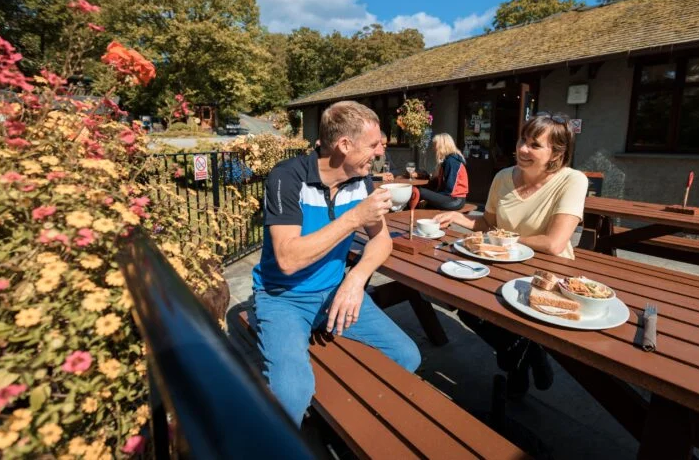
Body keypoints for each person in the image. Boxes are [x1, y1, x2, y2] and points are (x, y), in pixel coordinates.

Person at [252, 100, 421, 425]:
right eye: (373, 145)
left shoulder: (361, 181)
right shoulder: (287, 178)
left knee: (406, 355)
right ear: (344, 145)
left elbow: (382, 239)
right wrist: (354, 218)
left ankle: (349, 422)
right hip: (282, 298)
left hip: (335, 292)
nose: (379, 152)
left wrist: (355, 280)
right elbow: (287, 259)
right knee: (291, 395)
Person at [433, 112, 588, 398]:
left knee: (517, 316)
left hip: (548, 273)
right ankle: (526, 354)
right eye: (522, 140)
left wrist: (498, 243)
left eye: (534, 145)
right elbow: (489, 224)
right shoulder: (503, 177)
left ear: (556, 152)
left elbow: (554, 244)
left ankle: (518, 360)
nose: (522, 149)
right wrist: (457, 219)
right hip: (501, 264)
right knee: (466, 305)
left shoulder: (572, 180)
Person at [417, 133, 468, 210]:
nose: (434, 148)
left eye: (435, 145)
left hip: (455, 200)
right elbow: (439, 183)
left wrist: (429, 198)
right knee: (419, 190)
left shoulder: (452, 162)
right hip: (451, 198)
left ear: (442, 146)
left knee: (419, 192)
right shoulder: (448, 160)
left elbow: (449, 190)